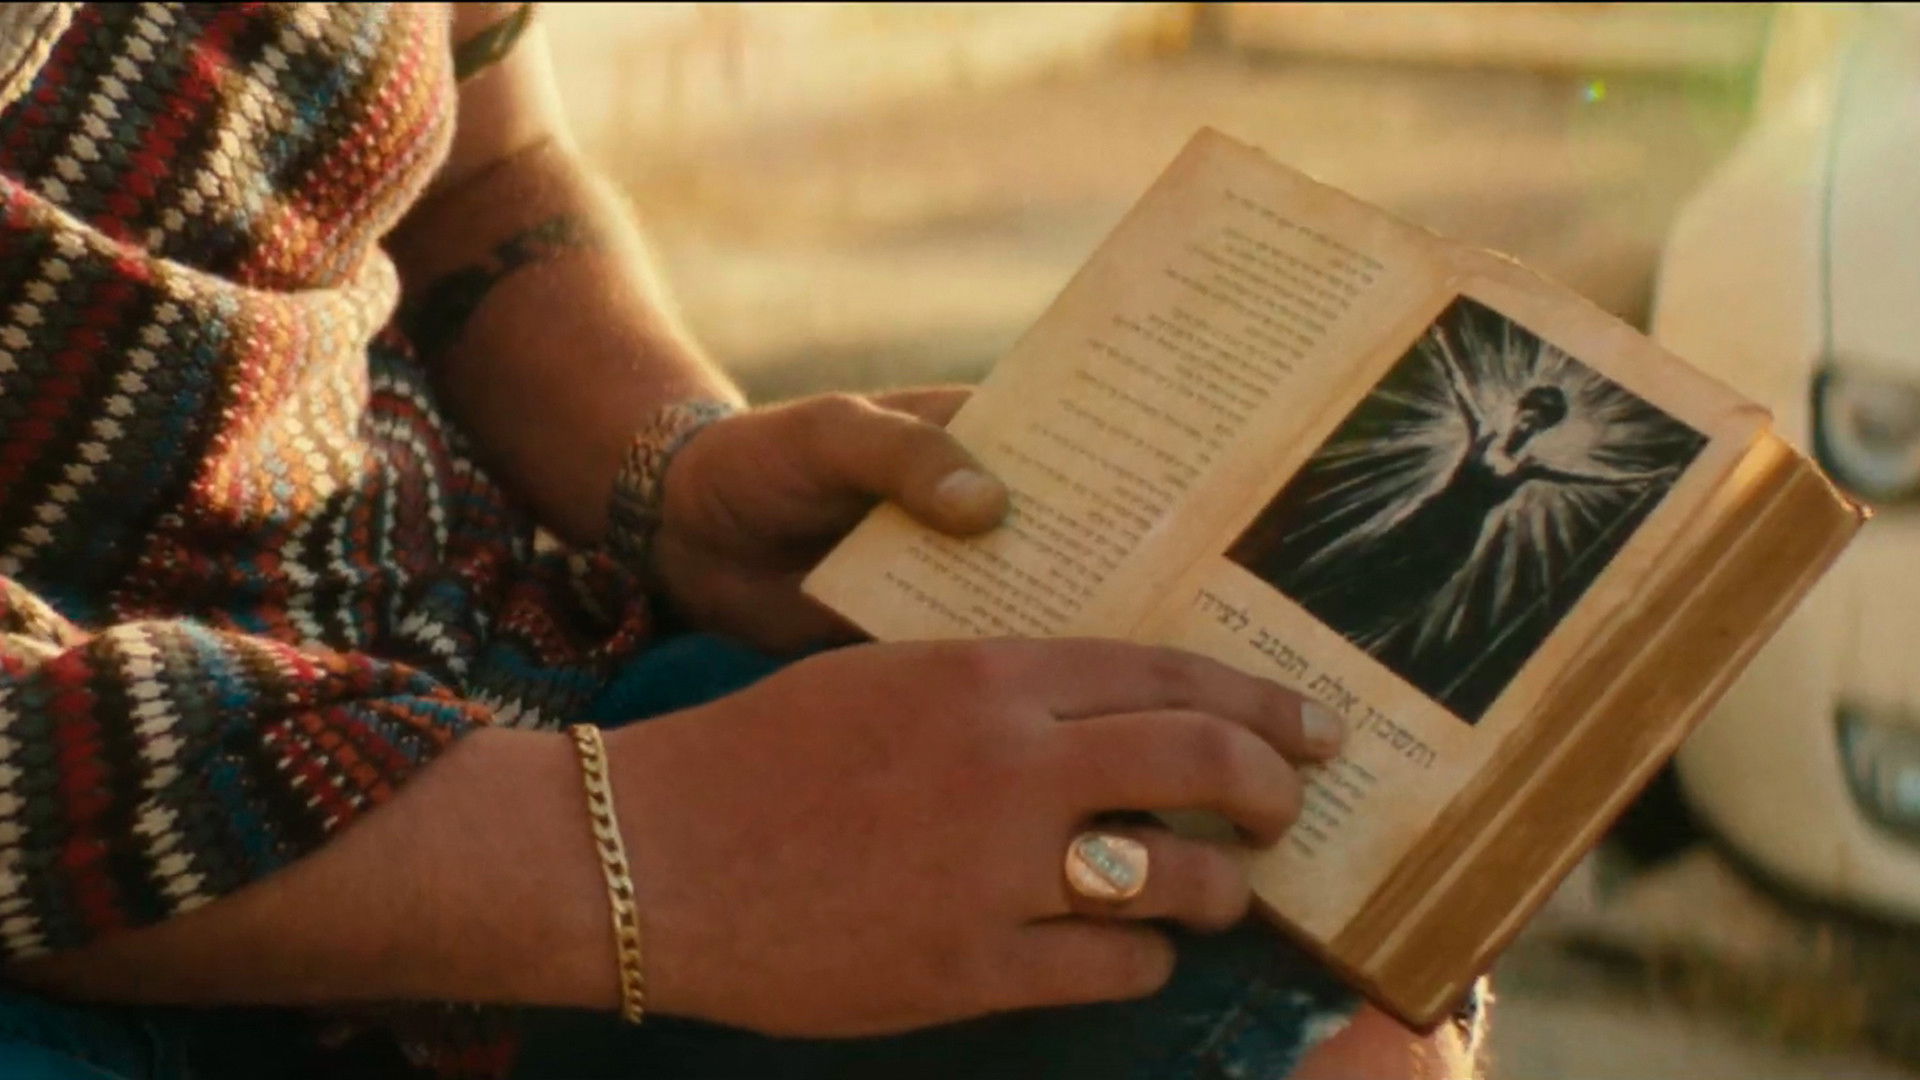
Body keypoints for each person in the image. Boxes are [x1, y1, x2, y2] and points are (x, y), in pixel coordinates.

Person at [0, 4, 1479, 1078]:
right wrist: (642, 855)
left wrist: (663, 470)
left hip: (482, 680)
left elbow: (484, 165)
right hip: (78, 909)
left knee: (1318, 975)